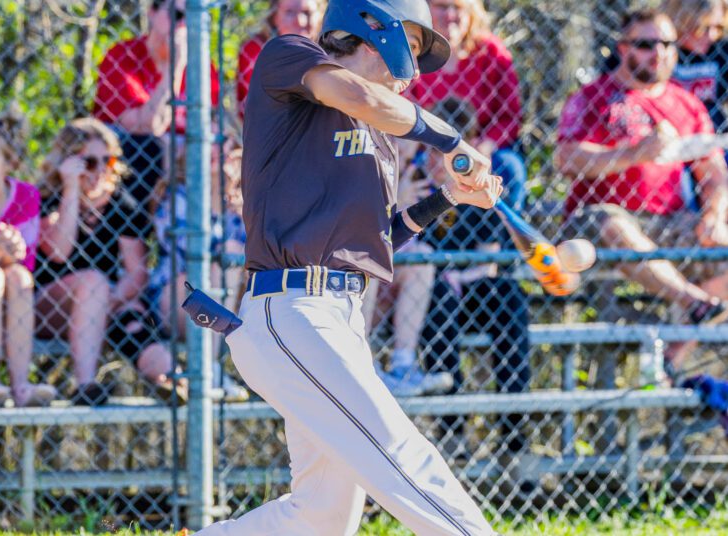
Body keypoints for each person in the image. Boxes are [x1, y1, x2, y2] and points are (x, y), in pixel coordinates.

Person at [194, 0, 504, 533]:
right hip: (292, 310)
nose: (414, 71)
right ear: (373, 29)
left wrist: (449, 196)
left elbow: (373, 242)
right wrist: (452, 140)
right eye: (411, 46)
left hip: (340, 317)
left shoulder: (381, 138)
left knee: (321, 516)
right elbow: (357, 95)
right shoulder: (290, 56)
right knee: (402, 457)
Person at [555, 9, 728, 374]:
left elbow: (713, 172)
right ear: (623, 48)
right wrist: (634, 154)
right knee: (611, 221)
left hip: (667, 221)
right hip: (601, 222)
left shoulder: (686, 103)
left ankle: (672, 357)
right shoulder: (594, 97)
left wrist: (713, 216)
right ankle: (694, 302)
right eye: (646, 44)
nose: (659, 53)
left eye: (667, 44)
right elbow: (567, 158)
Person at [419, 98, 532, 475]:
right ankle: (452, 433)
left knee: (509, 296)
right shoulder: (413, 189)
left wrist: (456, 276)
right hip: (430, 299)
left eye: (444, 153)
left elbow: (488, 262)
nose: (436, 162)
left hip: (473, 289)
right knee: (436, 297)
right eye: (429, 152)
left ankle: (514, 437)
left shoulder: (478, 193)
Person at [35, 118, 177, 406]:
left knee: (133, 316)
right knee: (93, 282)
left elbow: (137, 274)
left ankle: (170, 378)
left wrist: (107, 302)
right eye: (89, 162)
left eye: (107, 161)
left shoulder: (122, 205)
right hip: (49, 307)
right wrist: (71, 190)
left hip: (105, 305)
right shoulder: (47, 198)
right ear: (69, 162)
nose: (100, 170)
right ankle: (85, 385)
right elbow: (58, 252)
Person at [92, 0, 220, 217]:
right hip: (137, 158)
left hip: (183, 157)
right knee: (149, 147)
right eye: (177, 15)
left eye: (193, 17)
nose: (183, 25)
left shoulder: (203, 66)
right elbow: (146, 126)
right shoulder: (123, 56)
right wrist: (175, 66)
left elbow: (212, 124)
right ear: (152, 12)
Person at [150, 140, 249, 401]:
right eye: (210, 142)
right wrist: (216, 201)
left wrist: (242, 211)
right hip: (175, 298)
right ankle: (209, 370)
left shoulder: (245, 204)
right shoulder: (178, 196)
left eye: (225, 145)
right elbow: (192, 252)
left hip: (229, 304)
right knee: (223, 256)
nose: (217, 151)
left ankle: (217, 369)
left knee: (232, 254)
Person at [409, 0, 526, 213]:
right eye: (442, 6)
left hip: (480, 145)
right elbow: (403, 110)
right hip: (427, 149)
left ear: (472, 11)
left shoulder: (490, 52)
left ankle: (502, 233)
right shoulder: (414, 51)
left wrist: (484, 147)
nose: (450, 15)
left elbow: (510, 116)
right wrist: (431, 152)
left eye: (458, 7)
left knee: (509, 167)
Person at [0, 112, 56, 407]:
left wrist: (5, 253)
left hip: (8, 297)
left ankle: (21, 385)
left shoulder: (25, 196)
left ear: (8, 163)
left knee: (19, 277)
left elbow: (26, 264)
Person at [362, 148, 453, 397]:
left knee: (422, 257)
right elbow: (363, 242)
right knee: (370, 260)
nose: (403, 165)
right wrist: (395, 205)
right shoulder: (362, 170)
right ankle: (363, 362)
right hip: (352, 293)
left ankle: (403, 365)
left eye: (408, 160)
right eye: (398, 157)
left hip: (388, 300)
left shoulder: (414, 179)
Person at [236, 0, 324, 116]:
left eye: (307, 12)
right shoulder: (256, 49)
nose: (300, 21)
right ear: (274, 16)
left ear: (320, 15)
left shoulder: (329, 49)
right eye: (289, 12)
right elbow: (251, 109)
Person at [664, 0, 727, 132]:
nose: (712, 35)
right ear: (683, 22)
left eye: (718, 27)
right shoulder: (656, 51)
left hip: (714, 131)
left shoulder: (721, 51)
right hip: (671, 130)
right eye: (703, 28)